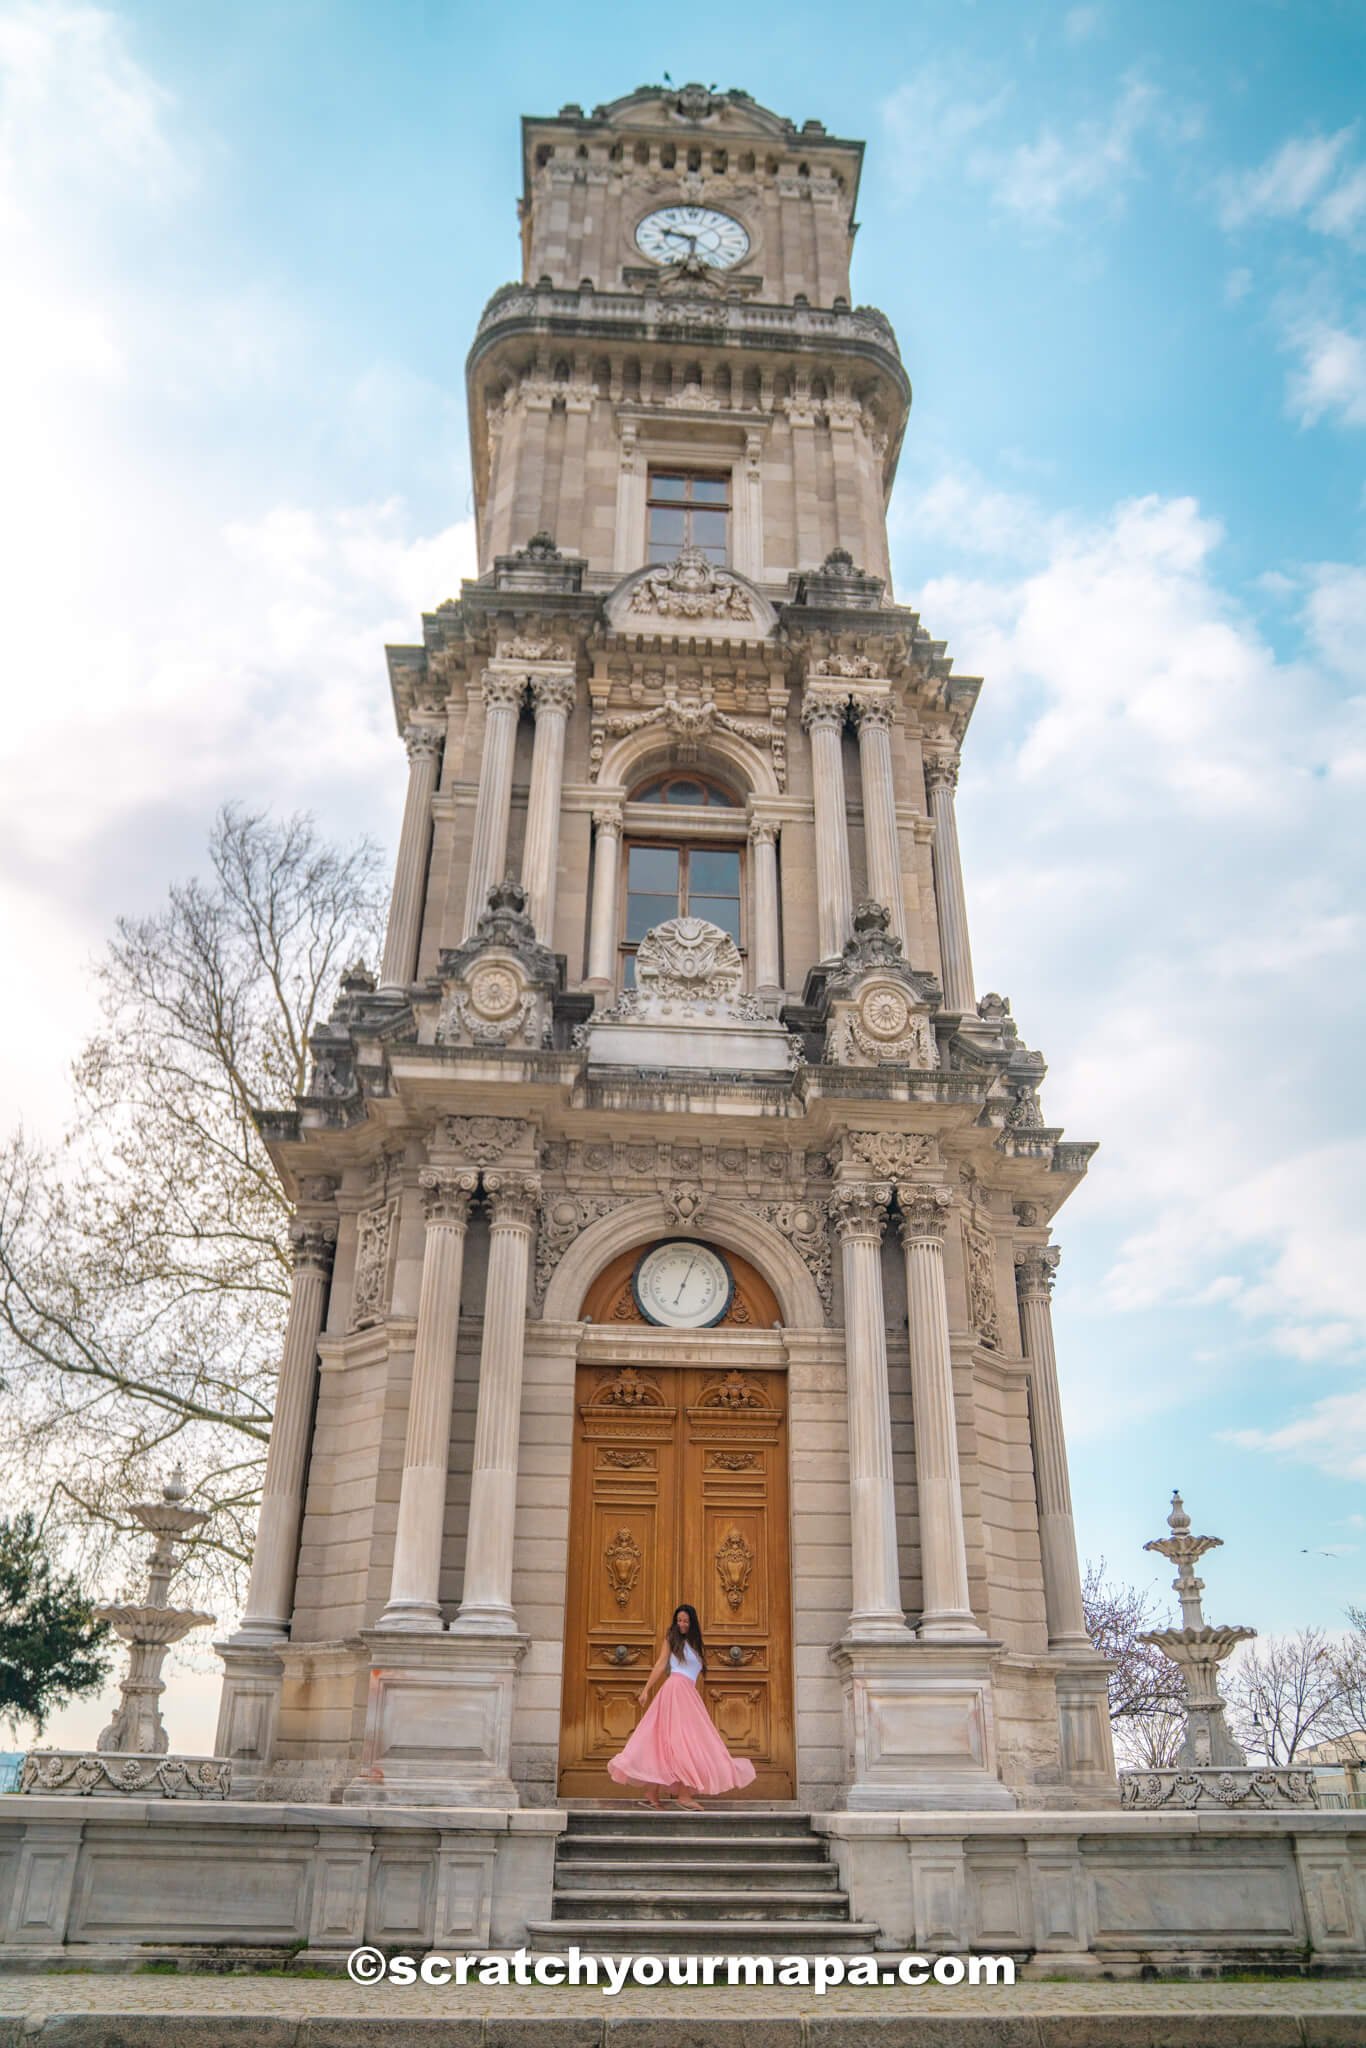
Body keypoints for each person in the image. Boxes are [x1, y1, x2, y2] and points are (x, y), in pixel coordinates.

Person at [606, 1602, 757, 1809]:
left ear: (692, 1622)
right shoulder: (672, 1638)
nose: (682, 1624)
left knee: (674, 1741)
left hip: (688, 1694)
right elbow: (660, 1664)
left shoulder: (696, 1644)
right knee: (682, 1741)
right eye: (679, 1621)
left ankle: (653, 1793)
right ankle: (682, 1796)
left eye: (685, 1621)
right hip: (675, 1691)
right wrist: (646, 1689)